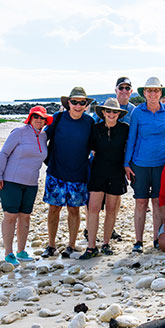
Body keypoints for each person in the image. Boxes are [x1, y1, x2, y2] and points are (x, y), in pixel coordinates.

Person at [124, 77, 165, 253]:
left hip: (163, 164)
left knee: (157, 201)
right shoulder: (137, 112)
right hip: (139, 164)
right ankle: (138, 241)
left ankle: (156, 238)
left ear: (161, 93)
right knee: (141, 202)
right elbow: (131, 138)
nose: (153, 93)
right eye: (149, 90)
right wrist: (126, 163)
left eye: (156, 90)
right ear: (144, 93)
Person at [42, 87, 95, 258]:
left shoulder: (89, 122)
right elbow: (41, 138)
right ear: (68, 104)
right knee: (54, 208)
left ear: (86, 105)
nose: (78, 106)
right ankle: (51, 245)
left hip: (79, 174)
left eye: (82, 103)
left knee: (74, 210)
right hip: (56, 172)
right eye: (75, 102)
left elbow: (97, 146)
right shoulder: (57, 119)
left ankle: (71, 245)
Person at [0, 106, 51, 265]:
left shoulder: (43, 136)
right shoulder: (18, 132)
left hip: (31, 183)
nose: (39, 120)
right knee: (11, 216)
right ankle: (8, 253)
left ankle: (21, 251)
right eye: (36, 117)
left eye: (42, 118)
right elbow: (4, 153)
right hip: (11, 181)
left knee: (25, 217)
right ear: (30, 118)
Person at [80, 98, 129, 259]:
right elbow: (86, 148)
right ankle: (91, 246)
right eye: (108, 111)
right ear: (103, 113)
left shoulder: (125, 129)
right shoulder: (94, 129)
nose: (111, 114)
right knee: (93, 209)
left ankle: (106, 243)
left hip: (116, 172)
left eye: (115, 111)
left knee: (111, 210)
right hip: (97, 172)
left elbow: (131, 148)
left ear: (119, 114)